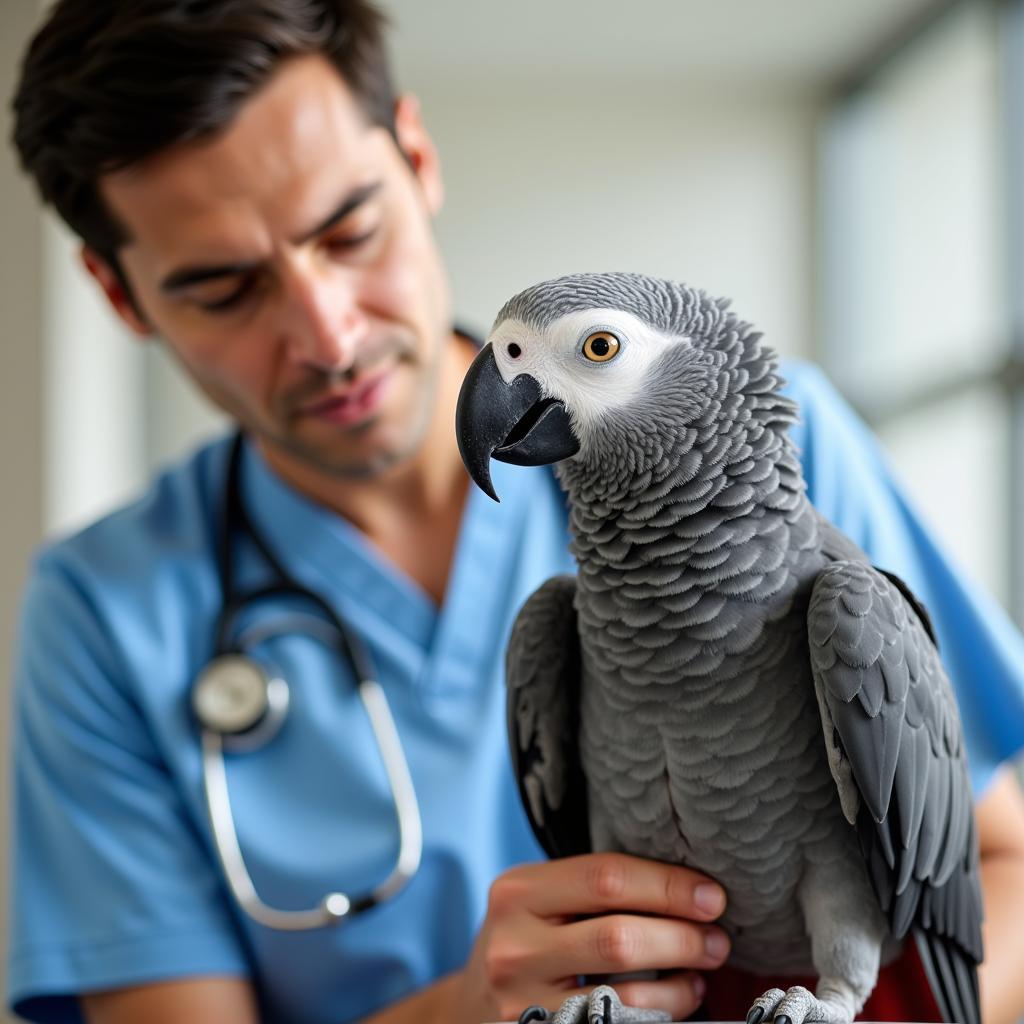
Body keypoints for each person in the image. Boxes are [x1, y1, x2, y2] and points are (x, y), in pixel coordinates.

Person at [7, 2, 1024, 1023]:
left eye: (349, 230)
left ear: (415, 156)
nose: (327, 333)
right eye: (225, 288)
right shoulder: (103, 612)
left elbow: (994, 861)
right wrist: (464, 1012)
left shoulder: (784, 457)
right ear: (119, 293)